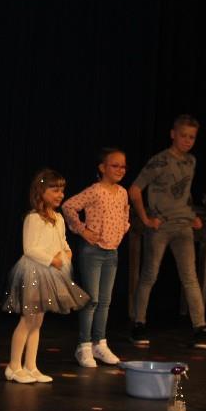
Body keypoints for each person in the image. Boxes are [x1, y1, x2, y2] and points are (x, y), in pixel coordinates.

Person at [128, 114, 206, 349]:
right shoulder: (160, 161)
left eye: (192, 137)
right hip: (161, 226)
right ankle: (138, 323)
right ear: (173, 134)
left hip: (183, 226)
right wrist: (146, 219)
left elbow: (184, 192)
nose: (187, 141)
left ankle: (200, 328)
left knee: (190, 277)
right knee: (150, 274)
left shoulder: (191, 161)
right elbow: (135, 189)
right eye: (183, 136)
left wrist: (192, 215)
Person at [3, 169, 90, 383]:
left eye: (62, 190)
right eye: (55, 190)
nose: (60, 194)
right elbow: (29, 248)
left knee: (37, 322)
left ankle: (31, 366)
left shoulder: (58, 218)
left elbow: (62, 240)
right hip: (35, 272)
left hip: (51, 273)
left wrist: (67, 251)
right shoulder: (33, 218)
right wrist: (51, 259)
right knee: (27, 320)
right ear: (41, 191)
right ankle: (13, 366)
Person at [62, 147, 131, 368]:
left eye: (123, 166)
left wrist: (121, 231)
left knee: (105, 300)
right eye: (115, 165)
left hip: (112, 252)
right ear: (102, 167)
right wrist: (82, 230)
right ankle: (83, 346)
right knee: (91, 299)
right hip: (93, 251)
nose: (120, 170)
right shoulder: (95, 190)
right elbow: (69, 206)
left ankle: (99, 343)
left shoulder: (122, 192)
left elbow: (125, 214)